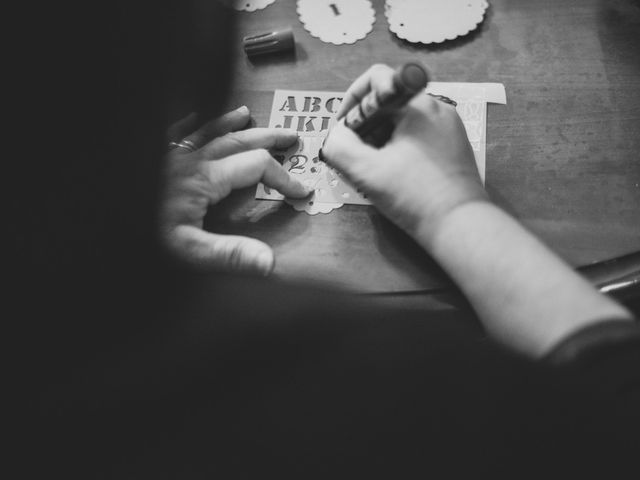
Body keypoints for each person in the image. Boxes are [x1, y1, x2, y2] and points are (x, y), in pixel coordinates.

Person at [10, 1, 639, 477]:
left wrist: (115, 194)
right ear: (202, 46)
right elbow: (612, 415)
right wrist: (452, 209)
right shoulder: (385, 384)